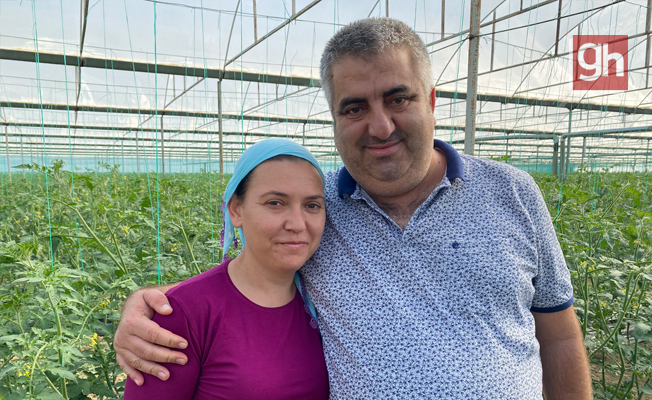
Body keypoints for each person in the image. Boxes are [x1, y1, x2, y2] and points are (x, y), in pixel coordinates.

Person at [114, 18, 592, 399]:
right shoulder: (317, 206)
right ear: (336, 118)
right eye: (355, 107)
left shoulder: (513, 192)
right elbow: (248, 274)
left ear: (429, 101)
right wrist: (154, 306)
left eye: (398, 98)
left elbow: (559, 335)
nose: (380, 126)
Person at [122, 138, 329, 399]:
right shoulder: (183, 315)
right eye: (275, 203)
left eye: (312, 206)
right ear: (236, 209)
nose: (297, 224)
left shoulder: (326, 298)